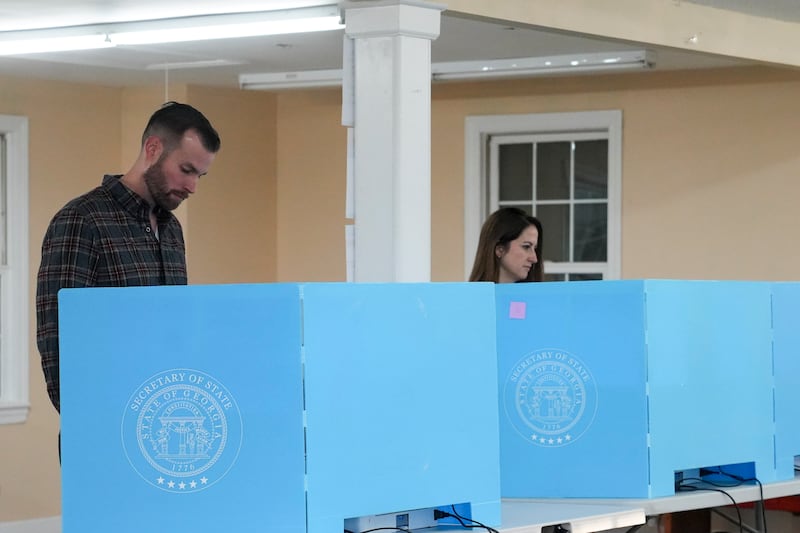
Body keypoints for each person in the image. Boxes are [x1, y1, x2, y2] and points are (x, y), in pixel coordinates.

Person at [36, 101, 221, 415]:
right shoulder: (83, 219)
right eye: (186, 170)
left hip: (162, 419)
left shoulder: (172, 229)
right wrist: (87, 419)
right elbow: (59, 338)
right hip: (103, 422)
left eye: (200, 175)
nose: (192, 186)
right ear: (152, 148)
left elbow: (175, 331)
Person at [469, 207, 544, 283]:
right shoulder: (468, 294)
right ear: (499, 250)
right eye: (526, 246)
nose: (534, 259)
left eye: (535, 249)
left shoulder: (538, 294)